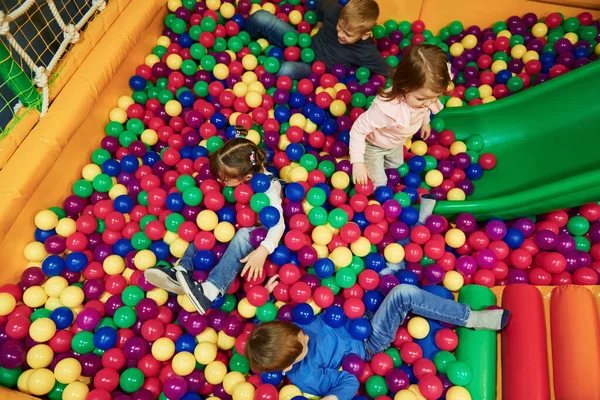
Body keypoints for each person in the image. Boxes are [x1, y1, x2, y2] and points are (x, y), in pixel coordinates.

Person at [245, 284, 510, 400]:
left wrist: (267, 293)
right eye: (302, 343)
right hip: (370, 340)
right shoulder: (307, 375)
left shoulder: (278, 335)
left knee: (394, 270)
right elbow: (348, 382)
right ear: (290, 365)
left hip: (357, 309)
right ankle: (472, 318)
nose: (304, 334)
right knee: (402, 293)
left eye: (297, 330)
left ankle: (421, 218)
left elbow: (265, 332)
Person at [144, 132, 285, 314]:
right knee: (209, 222)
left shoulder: (270, 189)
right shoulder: (241, 167)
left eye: (225, 180)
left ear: (248, 179)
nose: (220, 182)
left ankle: (210, 292)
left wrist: (263, 250)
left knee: (242, 236)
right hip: (234, 223)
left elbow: (278, 224)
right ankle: (181, 271)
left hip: (262, 234)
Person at [349, 44, 453, 189]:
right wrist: (357, 162)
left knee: (396, 167)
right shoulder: (387, 110)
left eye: (435, 97)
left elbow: (424, 109)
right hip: (373, 146)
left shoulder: (424, 99)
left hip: (396, 143)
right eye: (421, 99)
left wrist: (425, 123)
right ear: (404, 86)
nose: (428, 103)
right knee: (379, 184)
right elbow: (358, 129)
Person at [244, 0, 389, 80]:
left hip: (315, 69)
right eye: (339, 26)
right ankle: (245, 39)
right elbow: (322, 3)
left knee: (283, 70)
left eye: (348, 34)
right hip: (303, 43)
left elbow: (389, 72)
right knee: (261, 17)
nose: (340, 34)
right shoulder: (334, 12)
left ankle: (256, 74)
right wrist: (319, 23)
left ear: (365, 35)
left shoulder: (367, 52)